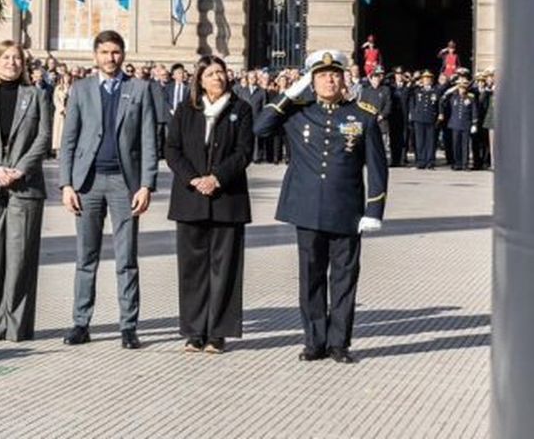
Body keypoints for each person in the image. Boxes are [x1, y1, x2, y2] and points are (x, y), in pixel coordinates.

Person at [255, 49, 388, 364]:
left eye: (335, 74)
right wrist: (288, 94)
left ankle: (339, 342)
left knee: (344, 279)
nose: (329, 79)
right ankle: (314, 341)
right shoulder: (298, 111)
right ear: (311, 81)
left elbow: (378, 167)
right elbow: (260, 127)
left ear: (344, 79)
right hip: (308, 208)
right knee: (311, 278)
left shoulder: (363, 114)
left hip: (347, 209)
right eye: (321, 75)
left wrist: (374, 211)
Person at [58, 30, 159, 349]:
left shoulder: (140, 89)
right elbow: (69, 140)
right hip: (87, 184)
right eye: (104, 52)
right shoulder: (81, 89)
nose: (110, 58)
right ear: (95, 56)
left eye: (116, 52)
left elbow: (148, 140)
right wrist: (66, 184)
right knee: (85, 256)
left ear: (124, 55)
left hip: (123, 184)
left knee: (126, 257)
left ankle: (128, 326)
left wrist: (146, 184)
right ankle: (80, 322)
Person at [0, 42, 54, 341]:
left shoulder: (38, 96)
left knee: (21, 259)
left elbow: (43, 136)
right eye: (6, 58)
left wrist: (22, 168)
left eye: (17, 58)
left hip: (24, 185)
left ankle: (17, 327)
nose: (12, 63)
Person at [164, 55, 253, 353]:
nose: (217, 77)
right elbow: (172, 149)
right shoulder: (185, 110)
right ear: (199, 79)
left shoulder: (241, 109)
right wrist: (193, 179)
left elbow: (243, 153)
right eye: (211, 73)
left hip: (227, 198)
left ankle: (218, 332)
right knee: (193, 268)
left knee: (225, 267)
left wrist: (216, 178)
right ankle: (194, 331)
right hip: (190, 199)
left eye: (221, 72)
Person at [407, 70, 442, 169]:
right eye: (425, 79)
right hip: (419, 118)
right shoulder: (417, 90)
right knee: (420, 141)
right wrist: (414, 81)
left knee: (430, 141)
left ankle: (430, 162)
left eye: (429, 79)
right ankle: (421, 162)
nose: (427, 80)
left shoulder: (435, 91)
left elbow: (439, 103)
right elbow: (408, 93)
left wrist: (440, 113)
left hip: (431, 118)